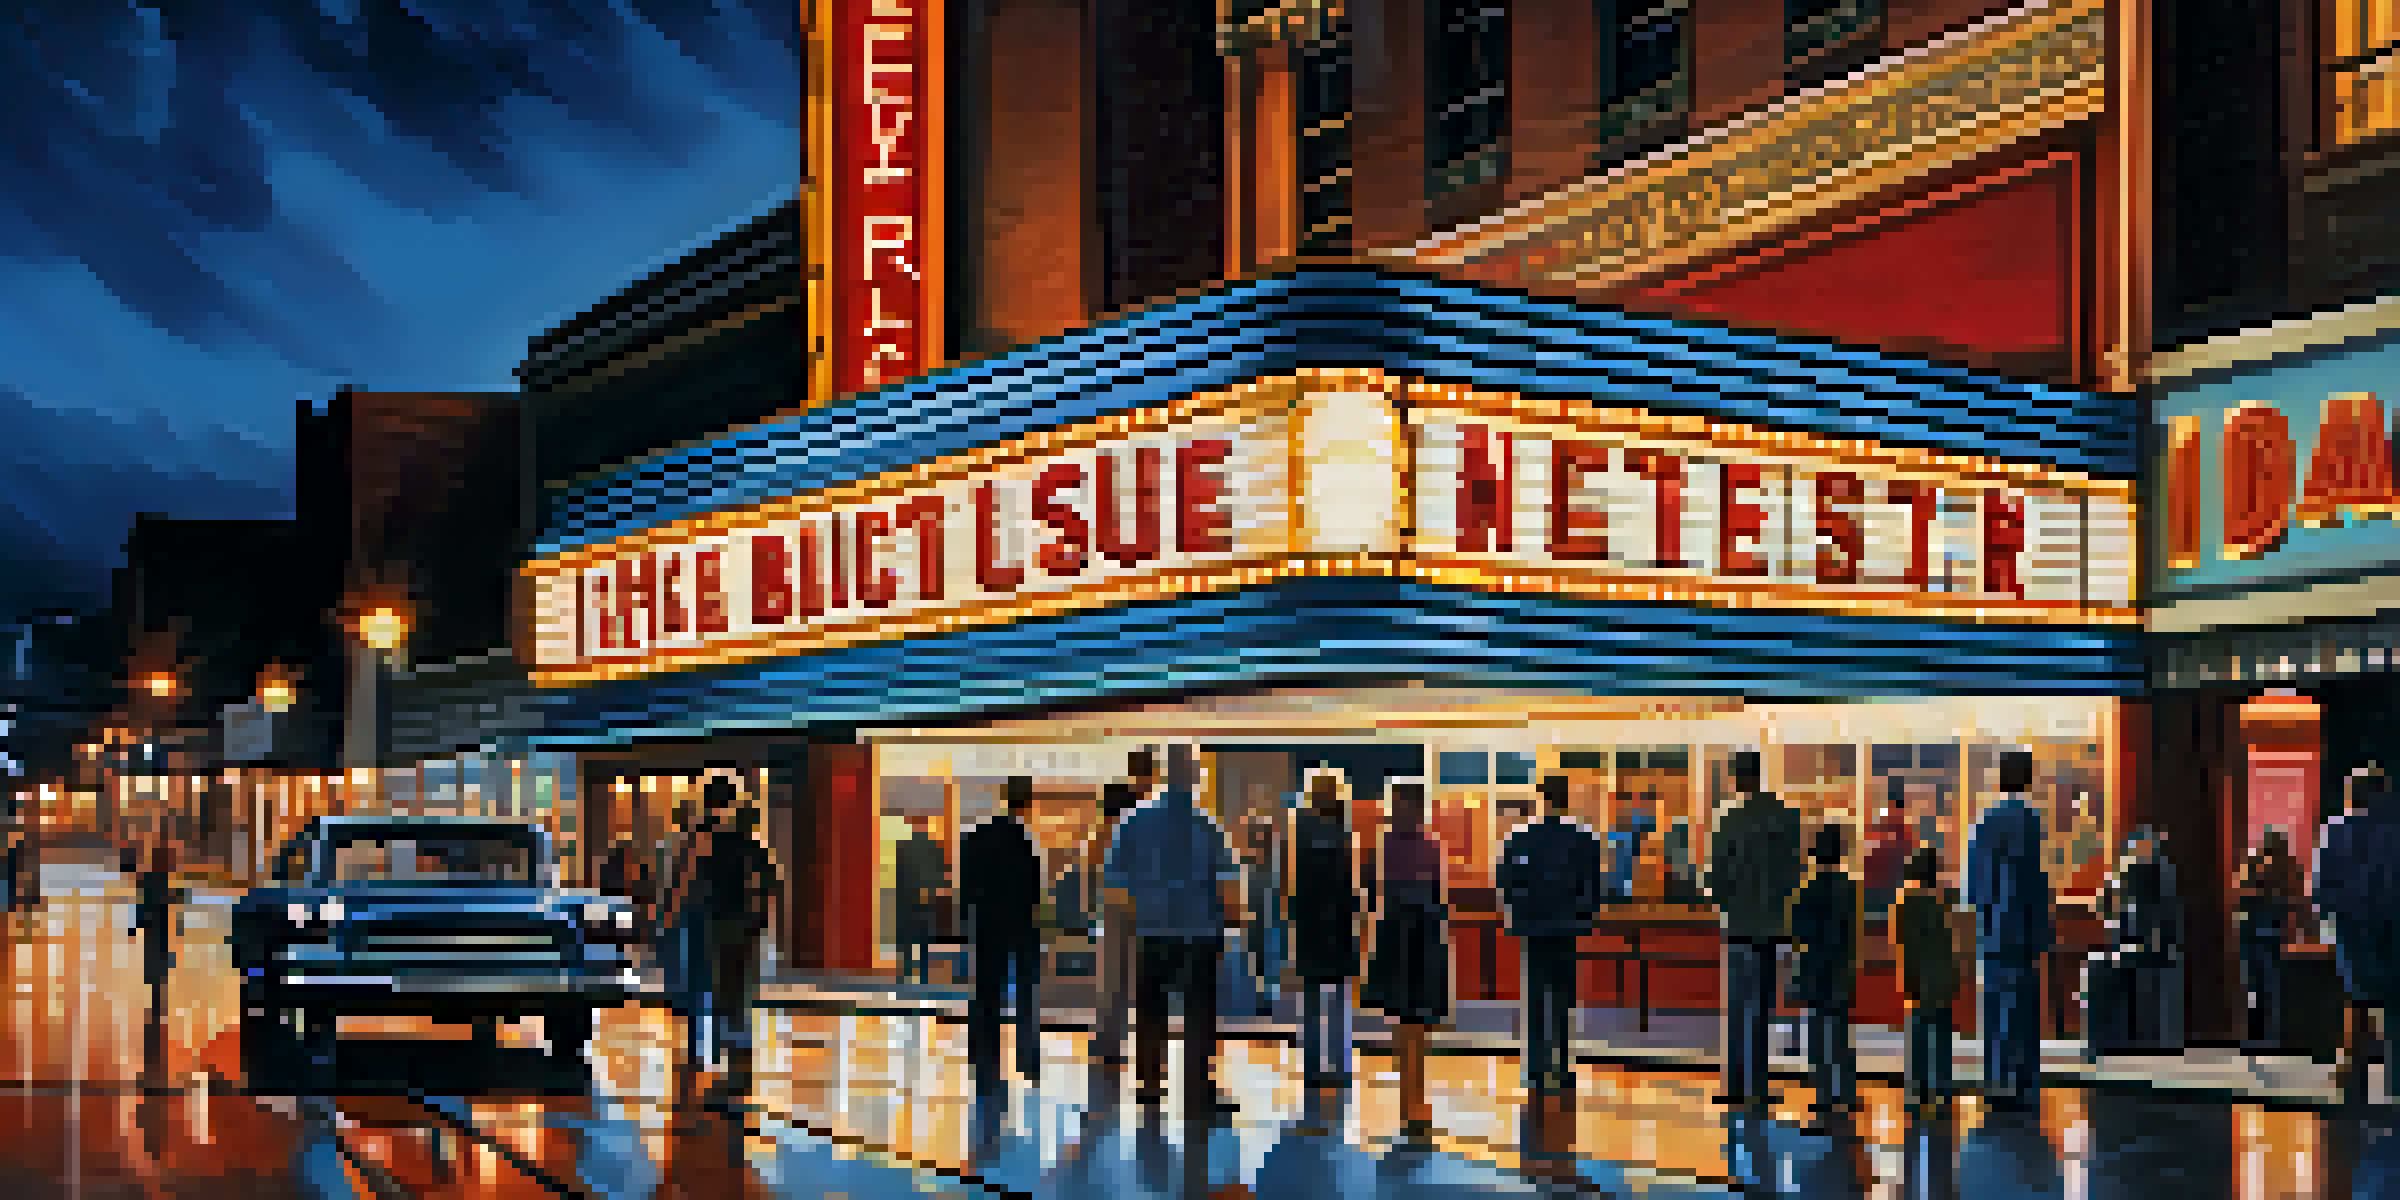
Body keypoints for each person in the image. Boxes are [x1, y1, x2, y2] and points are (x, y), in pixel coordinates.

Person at [1103, 744, 1245, 1116]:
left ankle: (1150, 1085)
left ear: (1167, 773)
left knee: (1151, 1011)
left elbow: (1115, 886)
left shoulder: (1134, 822)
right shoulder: (1208, 825)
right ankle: (1198, 1087)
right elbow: (1229, 886)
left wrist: (1144, 915)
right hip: (1201, 934)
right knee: (1200, 1014)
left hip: (1152, 933)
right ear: (1195, 775)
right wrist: (1234, 923)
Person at [1707, 749, 1804, 1107]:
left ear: (1736, 777)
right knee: (1761, 1010)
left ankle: (1733, 1084)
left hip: (1737, 925)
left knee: (1735, 1008)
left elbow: (1715, 877)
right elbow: (1794, 874)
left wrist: (1729, 902)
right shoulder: (1784, 817)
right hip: (1771, 926)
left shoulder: (1727, 819)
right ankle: (1758, 1086)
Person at [1496, 774, 1604, 1096]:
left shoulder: (1520, 837)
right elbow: (1593, 887)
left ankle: (1535, 1067)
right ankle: (1561, 1065)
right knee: (1562, 997)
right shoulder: (1583, 838)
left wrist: (1519, 913)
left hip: (1532, 927)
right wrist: (1582, 916)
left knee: (1535, 997)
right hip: (1566, 928)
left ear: (1543, 797)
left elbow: (1507, 884)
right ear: (1566, 797)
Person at [1965, 749, 2051, 1109]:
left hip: (1994, 929)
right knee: (2026, 1008)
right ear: (2028, 778)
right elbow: (2037, 882)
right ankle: (2025, 1082)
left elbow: (1975, 886)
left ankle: (1998, 1080)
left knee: (1996, 1007)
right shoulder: (2032, 821)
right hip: (2025, 930)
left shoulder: (1985, 821)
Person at [1363, 779, 1448, 1141]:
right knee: (1418, 1019)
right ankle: (1416, 1101)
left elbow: (1370, 890)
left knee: (1402, 1018)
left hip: (1395, 933)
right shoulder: (1431, 845)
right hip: (1423, 934)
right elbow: (1438, 894)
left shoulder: (1383, 844)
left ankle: (1407, 1102)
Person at [2313, 764, 2400, 1105]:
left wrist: (2333, 919)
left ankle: (2353, 1082)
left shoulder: (2336, 830)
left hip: (2352, 927)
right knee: (2392, 1011)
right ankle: (2393, 1084)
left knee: (2358, 1002)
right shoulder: (2394, 831)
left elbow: (2322, 888)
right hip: (2390, 927)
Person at [960, 775, 1047, 1092]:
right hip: (1021, 926)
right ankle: (1026, 1058)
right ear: (1029, 803)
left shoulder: (976, 839)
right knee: (1026, 995)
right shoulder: (1026, 844)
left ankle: (984, 1056)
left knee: (985, 993)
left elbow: (967, 890)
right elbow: (1034, 892)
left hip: (985, 925)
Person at [1289, 770, 1367, 1090]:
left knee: (1312, 1000)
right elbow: (1351, 882)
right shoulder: (1343, 830)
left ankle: (1311, 1067)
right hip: (1338, 923)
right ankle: (1340, 1065)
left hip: (1310, 923)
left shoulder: (1302, 829)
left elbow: (1294, 880)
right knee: (1338, 1000)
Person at [1788, 821, 1860, 1131]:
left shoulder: (1806, 889)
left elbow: (1797, 932)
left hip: (1814, 966)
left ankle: (1822, 1092)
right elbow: (1852, 931)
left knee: (1817, 1034)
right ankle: (1846, 1090)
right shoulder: (1849, 887)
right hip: (1840, 966)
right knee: (1841, 1032)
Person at [1090, 749, 1155, 1071]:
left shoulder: (1140, 805)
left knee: (1123, 976)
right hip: (1129, 901)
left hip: (1125, 900)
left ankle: (1113, 1042)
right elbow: (1098, 849)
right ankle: (1113, 1043)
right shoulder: (1135, 805)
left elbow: (1095, 852)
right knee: (1128, 976)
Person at [1892, 844, 1960, 1111]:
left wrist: (1908, 980)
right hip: (1942, 978)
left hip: (1919, 978)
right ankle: (1942, 1090)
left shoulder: (1906, 901)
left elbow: (1905, 945)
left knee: (1918, 1039)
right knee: (1941, 1039)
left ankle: (1917, 1090)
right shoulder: (1944, 900)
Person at [2235, 826, 2304, 1052]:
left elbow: (2242, 900)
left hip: (2254, 935)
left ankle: (2256, 1037)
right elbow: (2293, 901)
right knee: (2271, 988)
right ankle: (2271, 1037)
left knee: (2256, 988)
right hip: (2271, 936)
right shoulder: (2285, 868)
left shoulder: (2255, 866)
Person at [893, 813, 951, 987]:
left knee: (907, 950)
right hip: (927, 906)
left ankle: (904, 983)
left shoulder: (903, 847)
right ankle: (924, 983)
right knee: (925, 947)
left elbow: (900, 880)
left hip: (907, 906)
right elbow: (941, 879)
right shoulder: (936, 848)